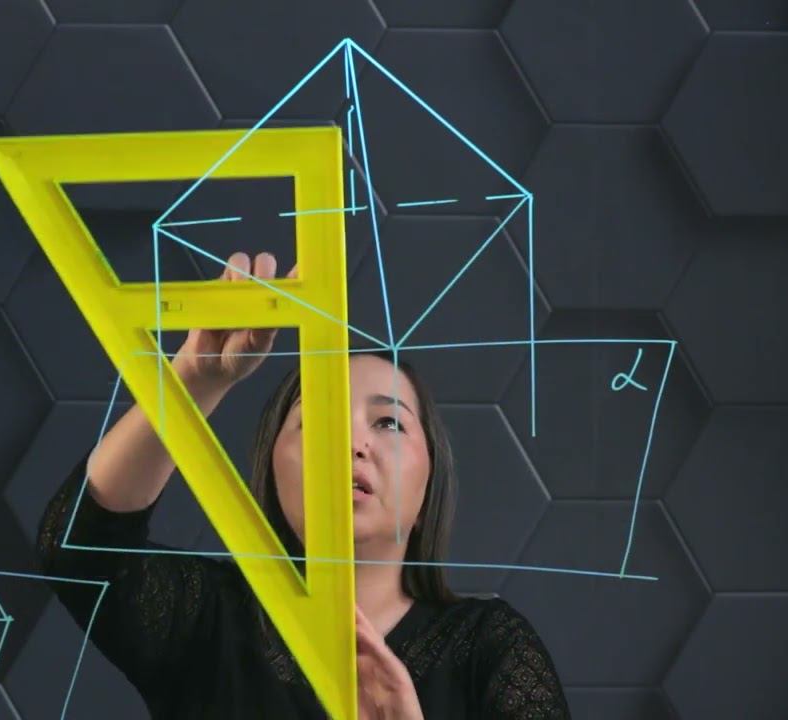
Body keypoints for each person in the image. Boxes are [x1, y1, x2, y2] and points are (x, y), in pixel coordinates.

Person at [36, 252, 570, 719]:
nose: (352, 444)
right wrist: (196, 378)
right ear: (273, 467)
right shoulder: (209, 618)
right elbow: (78, 549)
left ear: (431, 480)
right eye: (316, 420)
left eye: (389, 422)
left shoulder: (491, 647)